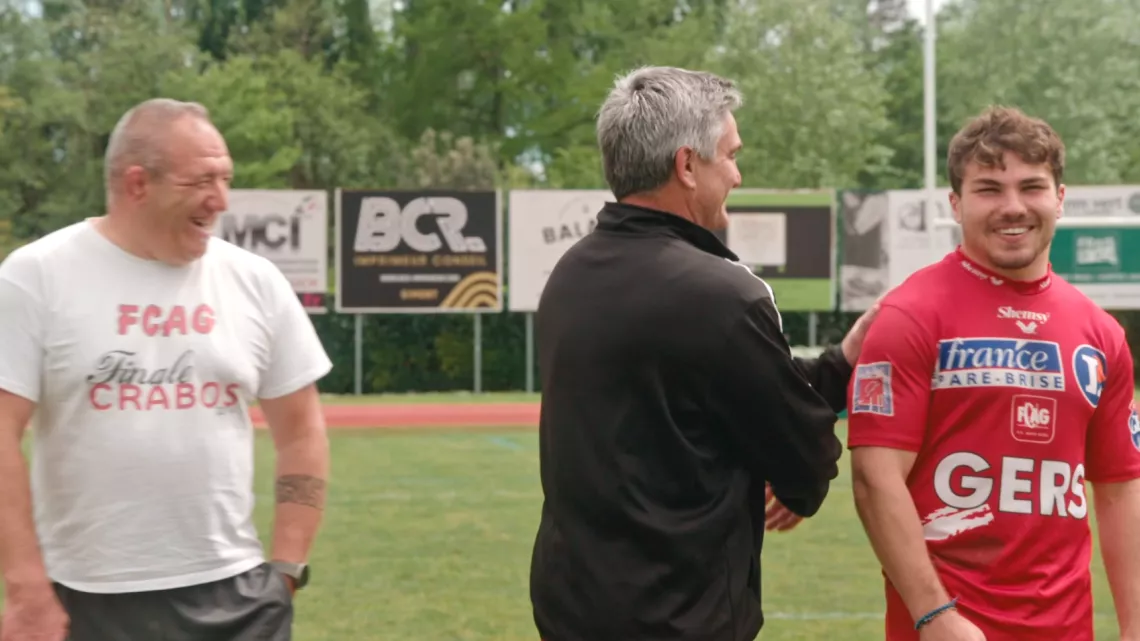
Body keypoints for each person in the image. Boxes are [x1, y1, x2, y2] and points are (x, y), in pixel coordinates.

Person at [528, 65, 880, 641]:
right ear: (687, 166)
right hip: (679, 617)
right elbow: (804, 463)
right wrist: (794, 476)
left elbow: (716, 391)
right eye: (731, 155)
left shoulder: (570, 274)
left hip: (572, 607)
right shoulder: (722, 294)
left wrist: (842, 358)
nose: (737, 174)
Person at [0, 98, 333, 641]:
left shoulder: (255, 281)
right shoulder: (37, 276)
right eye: (201, 181)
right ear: (137, 184)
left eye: (225, 179)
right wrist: (26, 589)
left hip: (238, 600)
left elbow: (302, 430)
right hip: (86, 600)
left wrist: (287, 571)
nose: (220, 200)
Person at [847, 105, 1140, 641]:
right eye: (988, 189)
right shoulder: (911, 315)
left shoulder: (1101, 334)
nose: (1013, 207)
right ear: (956, 204)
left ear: (1060, 197)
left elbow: (1121, 490)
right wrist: (934, 615)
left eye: (1032, 187)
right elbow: (874, 479)